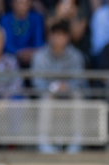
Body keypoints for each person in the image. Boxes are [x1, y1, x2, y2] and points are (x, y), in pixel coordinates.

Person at [32, 20, 86, 154]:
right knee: (46, 97)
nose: (58, 39)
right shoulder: (40, 56)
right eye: (55, 35)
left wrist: (67, 87)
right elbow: (37, 82)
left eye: (62, 35)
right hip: (48, 94)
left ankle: (76, 140)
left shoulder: (76, 56)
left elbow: (80, 81)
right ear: (50, 36)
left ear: (68, 38)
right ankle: (44, 141)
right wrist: (53, 88)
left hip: (70, 95)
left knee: (78, 96)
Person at [1, 0, 45, 67]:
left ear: (29, 4)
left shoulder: (37, 19)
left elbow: (39, 42)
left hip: (33, 55)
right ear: (12, 4)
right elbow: (7, 44)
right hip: (12, 55)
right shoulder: (5, 19)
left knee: (40, 58)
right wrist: (19, 53)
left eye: (24, 3)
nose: (21, 6)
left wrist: (30, 53)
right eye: (18, 3)